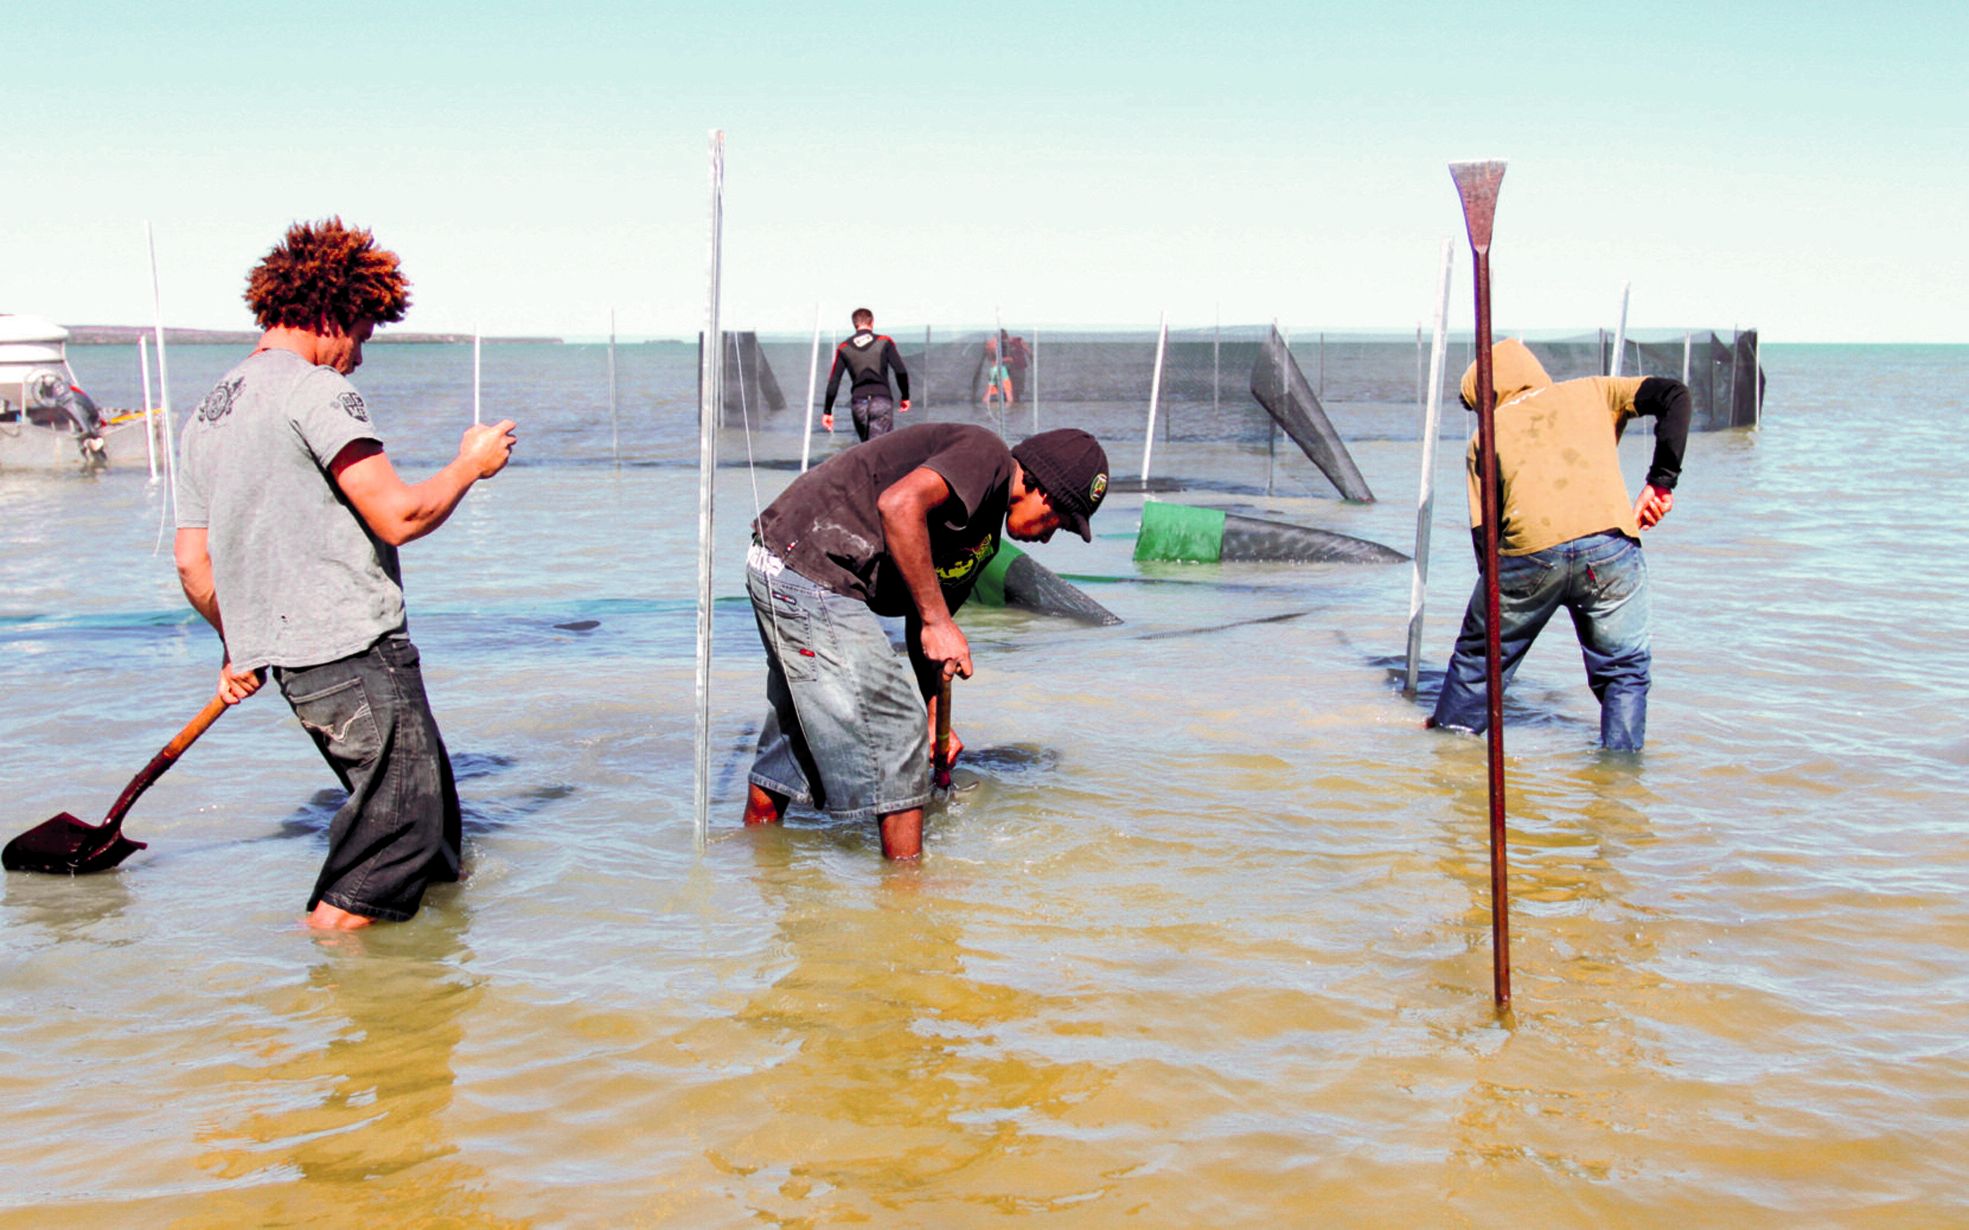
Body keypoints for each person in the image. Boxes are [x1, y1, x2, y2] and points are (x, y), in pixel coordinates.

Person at [173, 218, 518, 929]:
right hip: (355, 653)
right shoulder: (316, 391)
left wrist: (240, 646)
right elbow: (401, 517)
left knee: (437, 839)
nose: (358, 354)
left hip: (302, 671)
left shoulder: (211, 409)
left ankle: (438, 989)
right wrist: (470, 467)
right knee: (398, 840)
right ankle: (335, 990)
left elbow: (193, 561)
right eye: (361, 331)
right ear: (330, 312)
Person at [742, 423, 1110, 858]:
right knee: (898, 729)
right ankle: (909, 896)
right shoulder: (985, 455)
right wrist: (939, 624)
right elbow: (898, 506)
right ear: (1043, 491)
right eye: (1060, 523)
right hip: (808, 563)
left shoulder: (984, 535)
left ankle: (756, 852)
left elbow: (924, 620)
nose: (1049, 537)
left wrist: (938, 717)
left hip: (796, 570)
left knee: (797, 728)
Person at [1429, 338, 1690, 751]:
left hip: (1527, 554)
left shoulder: (1486, 437)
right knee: (1624, 671)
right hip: (1612, 547)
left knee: (1479, 663)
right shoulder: (1596, 391)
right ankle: (1618, 783)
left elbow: (1485, 539)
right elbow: (1674, 395)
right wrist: (1661, 483)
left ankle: (1448, 754)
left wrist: (1502, 609)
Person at [821, 308, 911, 442]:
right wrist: (905, 396)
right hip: (881, 401)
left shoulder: (844, 347)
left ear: (855, 324)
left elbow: (834, 381)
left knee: (866, 446)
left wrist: (827, 411)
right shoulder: (884, 341)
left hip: (859, 403)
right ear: (872, 322)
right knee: (880, 448)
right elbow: (900, 371)